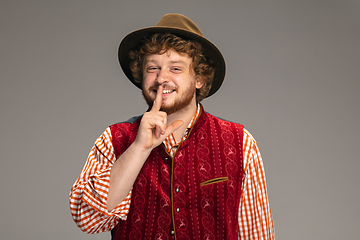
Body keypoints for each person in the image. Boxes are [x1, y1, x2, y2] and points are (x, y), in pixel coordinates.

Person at [70, 13, 275, 240]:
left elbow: (257, 234)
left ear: (200, 79)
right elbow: (88, 218)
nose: (161, 79)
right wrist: (139, 148)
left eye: (175, 68)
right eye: (152, 68)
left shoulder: (241, 143)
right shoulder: (113, 139)